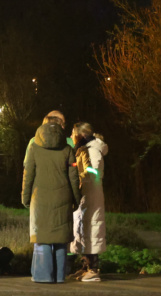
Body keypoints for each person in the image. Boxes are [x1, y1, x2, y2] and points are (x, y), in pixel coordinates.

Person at [22, 111, 81, 283]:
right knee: (61, 238)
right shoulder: (67, 149)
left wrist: (25, 198)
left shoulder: (34, 147)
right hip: (63, 197)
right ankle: (60, 276)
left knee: (42, 237)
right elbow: (74, 177)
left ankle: (43, 276)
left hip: (39, 198)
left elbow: (28, 175)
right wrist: (76, 199)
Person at [71, 122, 108, 282]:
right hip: (85, 195)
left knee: (92, 229)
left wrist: (79, 175)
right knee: (84, 230)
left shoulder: (92, 151)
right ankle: (85, 266)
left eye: (73, 133)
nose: (71, 137)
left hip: (91, 195)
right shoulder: (82, 150)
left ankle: (93, 268)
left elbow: (95, 171)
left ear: (82, 135)